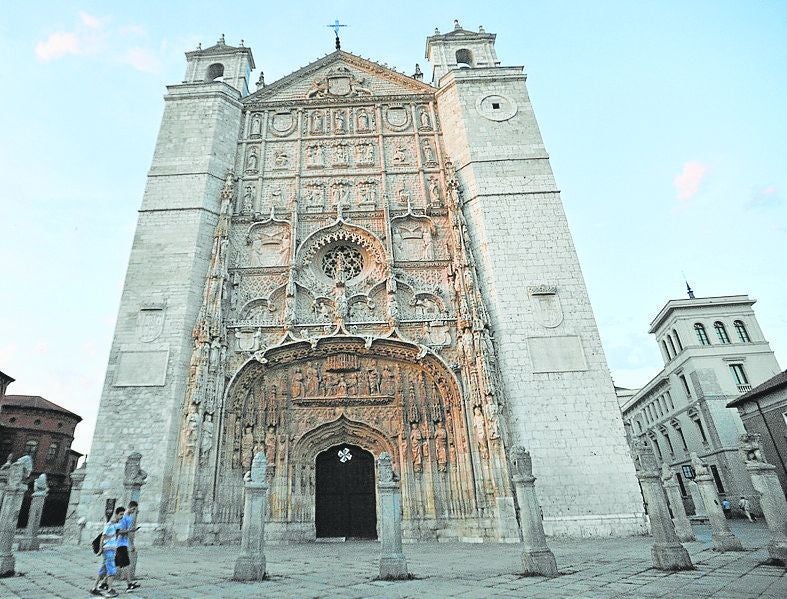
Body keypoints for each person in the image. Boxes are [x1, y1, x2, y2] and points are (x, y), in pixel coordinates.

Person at [90, 506, 124, 597]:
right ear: (116, 514)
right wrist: (100, 549)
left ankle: (94, 588)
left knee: (103, 570)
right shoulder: (109, 525)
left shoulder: (115, 525)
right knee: (111, 570)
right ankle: (109, 590)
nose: (122, 517)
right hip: (108, 550)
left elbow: (121, 529)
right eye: (121, 514)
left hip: (111, 549)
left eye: (123, 515)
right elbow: (102, 537)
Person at [115, 501, 141, 592]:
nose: (134, 511)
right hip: (120, 544)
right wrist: (130, 531)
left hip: (123, 544)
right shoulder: (124, 517)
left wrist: (131, 531)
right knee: (125, 565)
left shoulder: (129, 517)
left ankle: (103, 583)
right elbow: (119, 531)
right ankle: (129, 584)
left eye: (135, 509)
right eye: (133, 509)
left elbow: (126, 531)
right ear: (129, 507)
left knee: (117, 565)